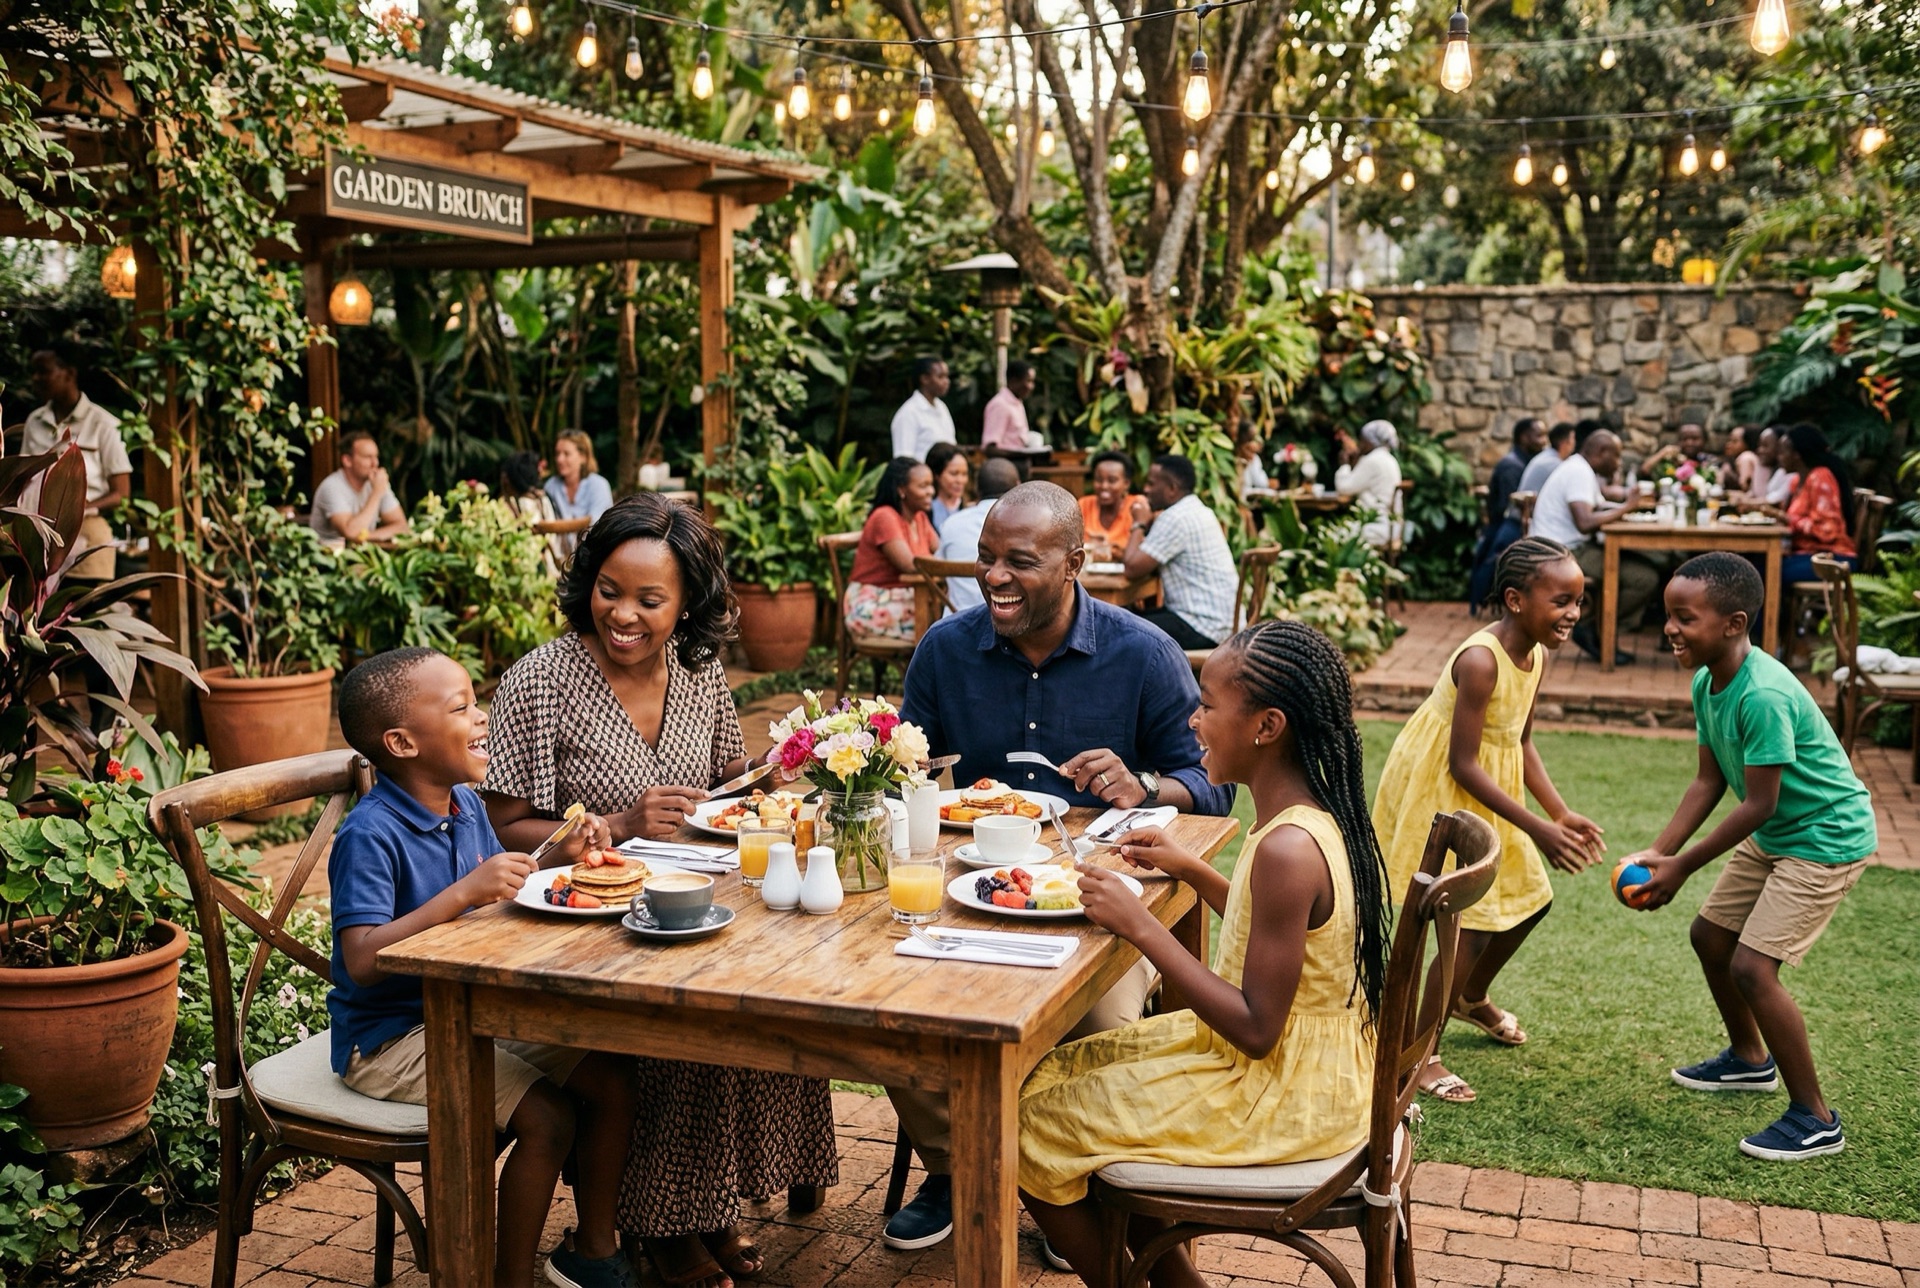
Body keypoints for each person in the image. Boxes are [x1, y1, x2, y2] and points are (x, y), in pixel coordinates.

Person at [483, 496, 836, 1288]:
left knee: (769, 993)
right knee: (680, 1025)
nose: (625, 615)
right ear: (588, 583)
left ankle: (708, 1206)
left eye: (651, 600)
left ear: (686, 606)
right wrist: (617, 819)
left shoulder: (699, 669)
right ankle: (662, 1224)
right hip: (577, 919)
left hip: (689, 899)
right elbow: (502, 824)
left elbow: (722, 783)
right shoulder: (540, 680)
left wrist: (762, 783)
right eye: (611, 590)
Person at [886, 481, 1233, 1253]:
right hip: (968, 891)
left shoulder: (1143, 654)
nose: (995, 577)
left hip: (1104, 901)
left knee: (1098, 1026)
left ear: (1075, 563)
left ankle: (1071, 1181)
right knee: (893, 1007)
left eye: (1019, 561)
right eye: (984, 559)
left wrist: (1143, 785)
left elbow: (1211, 783)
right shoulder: (946, 650)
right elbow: (902, 763)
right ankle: (959, 1164)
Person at [1016, 621, 1393, 1284]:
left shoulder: (1287, 849)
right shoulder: (1308, 817)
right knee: (1051, 1074)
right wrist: (1190, 869)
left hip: (1281, 1094)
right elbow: (1283, 933)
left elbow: (1254, 1028)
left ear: (1266, 726)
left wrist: (1143, 927)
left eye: (1208, 705)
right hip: (1312, 1069)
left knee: (1027, 1127)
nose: (1193, 721)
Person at [328, 647, 636, 1288]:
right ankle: (506, 1278)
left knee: (611, 1074)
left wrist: (563, 854)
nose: (483, 717)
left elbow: (503, 894)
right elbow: (361, 961)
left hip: (470, 1012)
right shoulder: (370, 833)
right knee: (548, 1119)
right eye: (462, 707)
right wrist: (464, 892)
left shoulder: (465, 805)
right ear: (402, 742)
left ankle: (596, 1250)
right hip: (392, 1040)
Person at [1626, 553, 1875, 1161]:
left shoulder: (1762, 694)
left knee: (1752, 968)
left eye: (1686, 618)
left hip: (1824, 836)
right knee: (1711, 937)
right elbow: (1708, 782)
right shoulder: (1707, 679)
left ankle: (1816, 1117)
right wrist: (1663, 850)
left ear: (1734, 623)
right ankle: (1747, 1058)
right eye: (1669, 616)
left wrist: (1683, 866)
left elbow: (1759, 803)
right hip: (1782, 831)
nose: (1671, 629)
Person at [1372, 539, 1606, 1103]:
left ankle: (1470, 998)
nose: (1573, 612)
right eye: (1561, 600)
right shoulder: (1480, 660)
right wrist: (1538, 828)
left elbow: (1521, 740)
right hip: (1446, 795)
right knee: (1460, 931)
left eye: (1579, 600)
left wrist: (1558, 812)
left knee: (1532, 902)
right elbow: (1463, 765)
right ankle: (1418, 1055)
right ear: (1515, 599)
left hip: (1490, 786)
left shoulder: (1539, 655)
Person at [1531, 430, 1652, 665]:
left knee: (1645, 567)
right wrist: (1627, 507)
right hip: (1561, 553)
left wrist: (1631, 505)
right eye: (1616, 457)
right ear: (1601, 453)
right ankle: (1594, 627)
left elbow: (1597, 506)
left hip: (1571, 548)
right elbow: (1585, 522)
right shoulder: (1578, 472)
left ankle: (1596, 628)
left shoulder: (1581, 469)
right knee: (1644, 578)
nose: (1618, 463)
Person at [22, 345, 132, 582]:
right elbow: (23, 478)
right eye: (34, 372)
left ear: (69, 374)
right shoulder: (35, 422)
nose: (35, 379)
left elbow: (121, 494)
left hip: (88, 539)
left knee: (87, 611)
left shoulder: (103, 423)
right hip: (39, 541)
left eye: (43, 371)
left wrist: (80, 506)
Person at [1121, 454, 1238, 650]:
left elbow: (1132, 568)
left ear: (1172, 489)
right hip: (1221, 622)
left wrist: (1139, 522)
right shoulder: (1197, 509)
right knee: (1125, 619)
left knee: (1118, 628)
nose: (1146, 489)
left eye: (1151, 483)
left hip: (1201, 626)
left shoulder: (1175, 518)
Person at [844, 457, 938, 644]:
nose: (931, 492)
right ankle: (925, 671)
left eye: (931, 485)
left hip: (910, 597)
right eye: (923, 486)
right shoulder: (885, 517)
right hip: (873, 602)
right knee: (943, 622)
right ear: (902, 489)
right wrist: (944, 568)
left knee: (948, 615)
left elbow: (941, 552)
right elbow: (910, 565)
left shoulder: (919, 517)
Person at [1468, 417, 1549, 612]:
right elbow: (1509, 506)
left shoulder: (1525, 462)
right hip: (1503, 528)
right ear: (1524, 437)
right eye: (1539, 435)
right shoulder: (1512, 466)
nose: (1544, 441)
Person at [1758, 423, 1855, 583]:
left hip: (1831, 559)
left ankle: (1773, 608)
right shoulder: (1797, 482)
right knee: (1757, 566)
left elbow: (1828, 530)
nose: (1779, 457)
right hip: (1806, 553)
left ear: (1797, 455)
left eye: (1783, 452)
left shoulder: (1820, 478)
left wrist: (1786, 518)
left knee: (1765, 572)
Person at [933, 456, 1019, 611]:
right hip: (1008, 620)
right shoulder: (1025, 524)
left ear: (977, 489)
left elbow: (937, 567)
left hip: (956, 620)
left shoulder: (951, 524)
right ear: (1018, 487)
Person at [311, 430, 408, 546]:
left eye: (376, 457)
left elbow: (401, 526)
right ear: (347, 460)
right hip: (329, 558)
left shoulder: (377, 483)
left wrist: (366, 537)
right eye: (368, 457)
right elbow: (350, 532)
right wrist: (376, 493)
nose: (375, 463)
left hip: (361, 555)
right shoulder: (331, 487)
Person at [1332, 419, 1404, 548]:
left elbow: (1343, 488)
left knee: (1333, 536)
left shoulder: (1372, 460)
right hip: (1391, 527)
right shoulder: (1389, 459)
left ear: (1371, 441)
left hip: (1376, 529)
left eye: (1362, 440)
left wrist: (1344, 465)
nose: (1360, 444)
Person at [501, 451, 567, 576]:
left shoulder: (522, 502)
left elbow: (540, 526)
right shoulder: (542, 498)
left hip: (537, 570)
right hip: (550, 570)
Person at [889, 355, 956, 461]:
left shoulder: (942, 408)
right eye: (940, 377)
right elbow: (904, 459)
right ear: (924, 379)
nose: (946, 381)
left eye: (947, 377)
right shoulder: (909, 413)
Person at [544, 430, 613, 526]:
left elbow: (596, 522)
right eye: (557, 454)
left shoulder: (599, 485)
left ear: (583, 457)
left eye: (566, 454)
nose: (559, 460)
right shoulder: (551, 485)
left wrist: (548, 527)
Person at [1079, 450, 1141, 556]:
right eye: (1099, 480)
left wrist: (1103, 548)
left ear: (1126, 483)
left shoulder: (1136, 506)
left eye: (1112, 481)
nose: (1104, 486)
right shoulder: (1084, 505)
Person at [980, 360, 1042, 452]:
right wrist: (1019, 453)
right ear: (1014, 381)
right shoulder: (1000, 405)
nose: (1031, 386)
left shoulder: (1018, 404)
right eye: (1028, 381)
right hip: (1005, 463)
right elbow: (990, 448)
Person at [1515, 421, 1577, 501]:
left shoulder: (1547, 456)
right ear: (1564, 442)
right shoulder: (1552, 463)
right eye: (1573, 439)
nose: (1575, 443)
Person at [925, 441, 971, 534]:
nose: (960, 480)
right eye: (954, 474)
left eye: (964, 474)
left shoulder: (970, 510)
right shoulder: (926, 510)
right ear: (936, 475)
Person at [1644, 421, 1712, 473]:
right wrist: (1663, 453)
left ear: (1704, 440)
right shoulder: (1670, 460)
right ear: (1678, 441)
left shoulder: (1709, 462)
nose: (1689, 443)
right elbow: (1645, 470)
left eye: (1694, 438)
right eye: (1684, 438)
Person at [1725, 426, 1762, 495]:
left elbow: (1744, 487)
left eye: (1735, 441)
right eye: (1729, 440)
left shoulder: (1746, 457)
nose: (1729, 444)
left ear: (1747, 442)